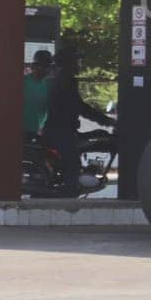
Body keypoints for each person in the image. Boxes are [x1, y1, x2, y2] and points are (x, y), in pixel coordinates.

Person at [44, 46, 108, 197]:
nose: (80, 65)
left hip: (61, 129)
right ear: (69, 63)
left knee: (92, 140)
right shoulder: (65, 81)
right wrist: (105, 121)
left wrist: (102, 123)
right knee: (73, 164)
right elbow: (80, 107)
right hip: (60, 131)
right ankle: (70, 197)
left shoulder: (60, 79)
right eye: (77, 62)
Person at [23, 49, 52, 137]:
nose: (46, 69)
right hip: (20, 130)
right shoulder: (22, 82)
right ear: (33, 66)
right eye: (43, 66)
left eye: (48, 66)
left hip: (37, 132)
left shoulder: (49, 85)